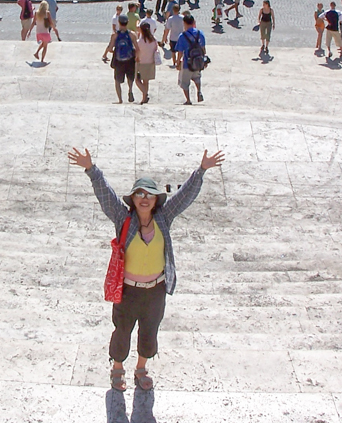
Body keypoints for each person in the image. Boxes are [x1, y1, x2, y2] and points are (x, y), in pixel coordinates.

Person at [66, 146, 225, 391]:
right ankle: (117, 369)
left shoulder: (163, 218)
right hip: (128, 290)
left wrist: (201, 170)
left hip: (155, 290)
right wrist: (91, 169)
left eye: (149, 194)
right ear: (133, 199)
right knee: (122, 331)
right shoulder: (124, 219)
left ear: (155, 200)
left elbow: (184, 197)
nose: (144, 198)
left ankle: (141, 369)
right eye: (139, 193)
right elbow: (105, 195)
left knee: (149, 331)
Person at [103, 14, 139, 103]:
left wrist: (116, 50)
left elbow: (110, 48)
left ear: (119, 23)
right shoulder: (132, 34)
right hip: (130, 59)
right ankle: (130, 90)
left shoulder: (114, 35)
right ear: (127, 23)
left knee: (117, 81)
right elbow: (137, 48)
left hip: (119, 61)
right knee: (130, 77)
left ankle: (120, 100)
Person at [174, 14, 206, 105]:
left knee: (185, 83)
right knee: (197, 78)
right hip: (198, 61)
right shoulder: (200, 33)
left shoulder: (182, 36)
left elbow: (180, 52)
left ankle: (188, 100)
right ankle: (199, 91)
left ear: (184, 23)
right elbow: (203, 49)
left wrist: (177, 62)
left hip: (187, 63)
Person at [135, 20, 158, 105]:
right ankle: (144, 98)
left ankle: (145, 93)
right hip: (150, 62)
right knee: (146, 81)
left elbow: (137, 52)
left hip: (141, 63)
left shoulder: (139, 42)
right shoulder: (154, 40)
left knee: (137, 80)